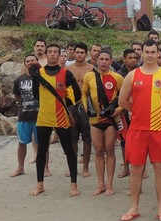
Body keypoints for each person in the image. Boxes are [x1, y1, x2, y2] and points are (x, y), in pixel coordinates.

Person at [119, 40, 161, 221]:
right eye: (147, 52)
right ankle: (134, 207)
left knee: (160, 169)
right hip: (137, 129)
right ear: (142, 53)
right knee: (136, 169)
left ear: (158, 53)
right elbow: (122, 101)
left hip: (159, 129)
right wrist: (137, 110)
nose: (150, 55)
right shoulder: (132, 75)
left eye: (153, 52)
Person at [31, 43, 82, 197]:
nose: (53, 54)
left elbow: (77, 93)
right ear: (46, 54)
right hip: (44, 117)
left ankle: (74, 185)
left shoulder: (66, 73)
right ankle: (40, 184)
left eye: (56, 52)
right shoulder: (38, 73)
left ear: (60, 55)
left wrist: (67, 106)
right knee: (41, 151)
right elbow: (36, 94)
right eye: (50, 52)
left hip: (61, 117)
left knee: (69, 150)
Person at [83, 50, 124, 196]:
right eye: (101, 59)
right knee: (98, 151)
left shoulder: (117, 78)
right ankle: (100, 183)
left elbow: (124, 97)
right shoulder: (89, 76)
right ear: (96, 60)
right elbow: (84, 94)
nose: (104, 62)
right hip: (95, 119)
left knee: (110, 150)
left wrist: (118, 110)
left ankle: (110, 184)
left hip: (110, 120)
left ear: (111, 61)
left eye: (107, 59)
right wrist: (88, 109)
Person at [11, 54, 42, 178]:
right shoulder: (19, 79)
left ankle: (45, 168)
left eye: (32, 60)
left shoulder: (43, 77)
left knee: (42, 143)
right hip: (24, 116)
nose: (30, 63)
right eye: (27, 61)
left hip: (41, 116)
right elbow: (18, 97)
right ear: (24, 64)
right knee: (21, 142)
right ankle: (20, 167)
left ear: (37, 62)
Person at [67, 43, 93, 178]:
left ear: (86, 54)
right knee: (72, 138)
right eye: (77, 52)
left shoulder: (91, 69)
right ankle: (73, 167)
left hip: (86, 106)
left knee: (87, 138)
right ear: (74, 53)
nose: (79, 55)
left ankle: (86, 166)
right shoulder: (68, 69)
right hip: (71, 105)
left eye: (82, 52)